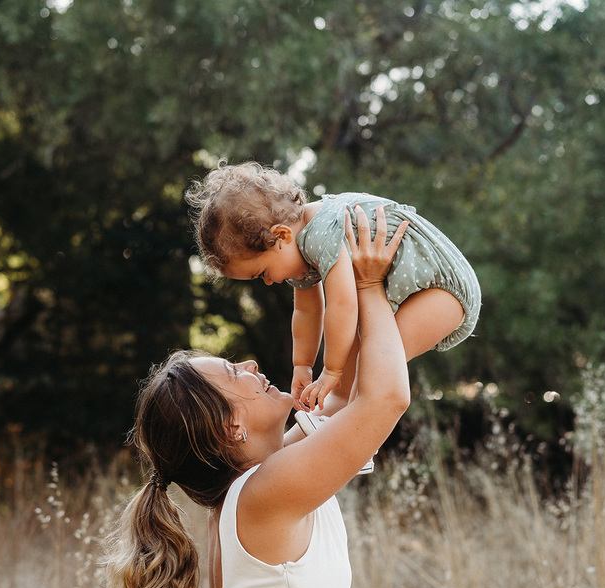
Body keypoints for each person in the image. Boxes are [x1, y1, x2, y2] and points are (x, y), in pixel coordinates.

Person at [105, 206, 409, 588]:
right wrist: (370, 286)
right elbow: (385, 399)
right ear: (231, 428)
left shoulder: (262, 482)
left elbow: (351, 391)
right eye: (232, 372)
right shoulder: (264, 496)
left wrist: (337, 275)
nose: (248, 363)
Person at [186, 160, 480, 424]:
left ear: (281, 236)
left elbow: (342, 304)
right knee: (348, 383)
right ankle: (321, 431)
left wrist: (330, 370)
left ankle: (355, 440)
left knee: (374, 367)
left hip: (443, 290)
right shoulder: (300, 247)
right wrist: (302, 365)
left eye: (262, 272)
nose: (267, 282)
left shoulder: (321, 232)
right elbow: (307, 311)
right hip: (424, 291)